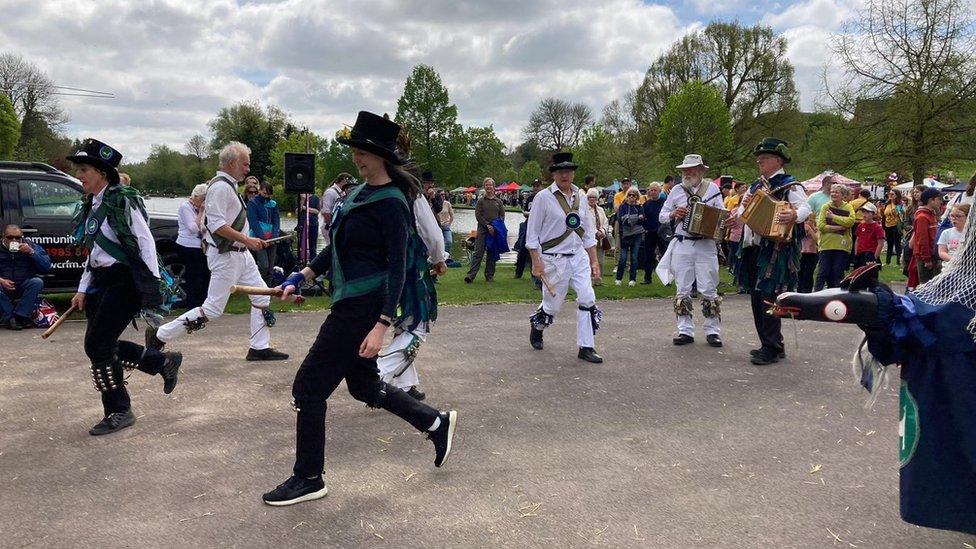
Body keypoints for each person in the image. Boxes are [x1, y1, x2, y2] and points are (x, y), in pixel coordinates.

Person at [262, 111, 457, 506]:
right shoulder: (357, 194)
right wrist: (299, 277)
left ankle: (309, 477)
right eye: (354, 150)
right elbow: (334, 251)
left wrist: (382, 324)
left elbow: (399, 269)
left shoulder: (392, 203)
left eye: (364, 151)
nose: (357, 158)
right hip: (350, 301)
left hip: (363, 308)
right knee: (364, 386)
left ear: (383, 155)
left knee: (308, 388)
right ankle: (435, 422)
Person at [66, 139, 182, 435]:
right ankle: (161, 362)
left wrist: (152, 287)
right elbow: (93, 252)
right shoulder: (92, 203)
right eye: (78, 169)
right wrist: (82, 288)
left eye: (84, 169)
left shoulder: (122, 199)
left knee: (97, 345)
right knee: (99, 346)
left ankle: (120, 410)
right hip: (101, 281)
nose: (79, 175)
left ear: (102, 172)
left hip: (126, 280)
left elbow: (145, 241)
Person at [146, 142, 288, 362]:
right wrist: (248, 240)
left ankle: (259, 347)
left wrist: (247, 242)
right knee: (212, 309)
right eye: (245, 164)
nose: (248, 169)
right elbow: (216, 225)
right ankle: (160, 335)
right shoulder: (220, 187)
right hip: (227, 256)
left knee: (262, 294)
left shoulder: (228, 186)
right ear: (232, 163)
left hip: (240, 255)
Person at [735, 138, 811, 365]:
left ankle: (771, 346)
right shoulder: (755, 185)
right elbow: (742, 211)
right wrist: (741, 207)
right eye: (759, 159)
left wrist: (794, 215)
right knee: (756, 297)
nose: (760, 162)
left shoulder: (791, 185)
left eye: (764, 159)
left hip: (775, 249)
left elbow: (806, 206)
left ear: (778, 160)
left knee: (767, 296)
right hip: (753, 246)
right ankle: (771, 344)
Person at [525, 152, 603, 364]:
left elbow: (588, 234)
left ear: (573, 173)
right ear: (554, 174)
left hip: (578, 257)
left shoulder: (582, 197)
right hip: (553, 259)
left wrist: (594, 261)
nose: (565, 175)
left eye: (568, 171)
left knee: (587, 298)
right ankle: (538, 325)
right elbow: (532, 236)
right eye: (560, 171)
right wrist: (536, 262)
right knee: (552, 306)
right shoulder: (543, 198)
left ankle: (586, 346)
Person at [658, 154, 724, 347]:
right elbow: (662, 216)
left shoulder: (712, 188)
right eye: (685, 170)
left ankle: (713, 332)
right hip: (683, 243)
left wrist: (719, 223)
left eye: (692, 169)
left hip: (706, 244)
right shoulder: (676, 190)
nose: (687, 172)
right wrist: (673, 213)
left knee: (709, 287)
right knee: (683, 287)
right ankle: (685, 331)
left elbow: (721, 215)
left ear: (701, 170)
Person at [0, 224, 51, 329]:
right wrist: (1, 280)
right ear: (3, 237)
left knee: (37, 282)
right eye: (10, 237)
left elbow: (46, 267)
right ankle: (10, 318)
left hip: (23, 283)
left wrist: (32, 253)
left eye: (18, 238)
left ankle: (20, 316)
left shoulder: (30, 246)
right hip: (3, 285)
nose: (14, 240)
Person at [175, 184, 211, 310]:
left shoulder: (204, 207)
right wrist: (201, 212)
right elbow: (193, 228)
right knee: (194, 277)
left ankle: (203, 305)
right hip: (188, 245)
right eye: (201, 200)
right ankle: (192, 306)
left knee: (205, 276)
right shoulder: (186, 207)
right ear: (195, 197)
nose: (201, 203)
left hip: (201, 247)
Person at [464, 177, 505, 283]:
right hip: (483, 229)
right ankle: (470, 275)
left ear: (493, 186)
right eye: (486, 185)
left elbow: (502, 216)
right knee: (478, 252)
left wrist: (496, 227)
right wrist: (487, 225)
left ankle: (489, 275)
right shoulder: (481, 201)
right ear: (484, 187)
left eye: (490, 185)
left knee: (492, 253)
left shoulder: (498, 201)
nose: (488, 186)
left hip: (494, 231)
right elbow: (478, 215)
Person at [815, 184, 855, 291]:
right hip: (826, 245)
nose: (833, 194)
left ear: (843, 195)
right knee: (823, 272)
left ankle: (837, 294)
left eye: (836, 192)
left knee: (837, 272)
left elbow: (851, 222)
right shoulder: (826, 207)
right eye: (832, 192)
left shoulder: (848, 207)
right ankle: (816, 294)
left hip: (842, 246)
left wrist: (833, 217)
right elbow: (821, 226)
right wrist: (839, 227)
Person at [248, 181, 281, 285]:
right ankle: (259, 284)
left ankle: (268, 288)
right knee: (264, 265)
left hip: (272, 237)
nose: (266, 196)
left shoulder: (273, 204)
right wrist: (262, 237)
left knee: (271, 266)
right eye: (264, 193)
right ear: (260, 191)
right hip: (258, 237)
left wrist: (274, 236)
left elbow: (276, 221)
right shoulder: (253, 203)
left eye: (268, 194)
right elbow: (253, 222)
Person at [910, 187, 944, 287]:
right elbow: (922, 240)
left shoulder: (931, 214)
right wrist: (926, 259)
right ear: (931, 200)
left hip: (932, 254)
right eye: (938, 199)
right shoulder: (922, 217)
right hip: (925, 258)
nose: (940, 202)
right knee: (926, 286)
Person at [615, 187, 644, 286]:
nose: (631, 197)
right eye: (629, 195)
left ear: (637, 197)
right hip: (625, 235)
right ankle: (618, 278)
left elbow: (642, 220)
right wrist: (635, 218)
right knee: (622, 258)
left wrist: (630, 218)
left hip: (636, 235)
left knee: (634, 257)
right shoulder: (623, 206)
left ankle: (632, 279)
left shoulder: (640, 207)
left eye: (634, 195)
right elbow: (623, 220)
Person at [515, 179, 543, 280]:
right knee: (522, 248)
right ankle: (518, 273)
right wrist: (527, 214)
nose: (536, 188)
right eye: (534, 186)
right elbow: (525, 211)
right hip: (529, 224)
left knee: (536, 249)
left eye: (538, 186)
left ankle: (535, 275)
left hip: (540, 226)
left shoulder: (544, 198)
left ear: (541, 186)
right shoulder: (530, 198)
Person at [641, 182, 666, 284]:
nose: (652, 192)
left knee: (665, 255)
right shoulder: (646, 204)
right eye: (650, 190)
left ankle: (666, 279)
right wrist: (645, 228)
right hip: (650, 233)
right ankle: (647, 278)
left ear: (659, 191)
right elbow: (643, 218)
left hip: (662, 232)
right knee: (648, 256)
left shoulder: (664, 202)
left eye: (655, 190)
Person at [585, 188, 610, 285]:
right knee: (589, 260)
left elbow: (605, 222)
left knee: (600, 261)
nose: (592, 199)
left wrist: (602, 231)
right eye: (590, 197)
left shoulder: (601, 210)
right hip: (590, 238)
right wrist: (595, 232)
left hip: (601, 239)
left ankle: (598, 280)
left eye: (594, 197)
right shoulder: (585, 210)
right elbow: (586, 224)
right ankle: (589, 280)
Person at [853, 202, 885, 268]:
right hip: (860, 254)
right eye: (864, 212)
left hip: (870, 254)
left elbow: (880, 243)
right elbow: (857, 240)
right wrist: (856, 253)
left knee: (870, 275)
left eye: (867, 213)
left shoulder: (877, 227)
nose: (864, 215)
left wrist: (875, 257)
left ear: (873, 214)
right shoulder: (860, 226)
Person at [433, 189, 456, 266]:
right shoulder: (435, 204)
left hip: (446, 226)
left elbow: (452, 215)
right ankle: (437, 260)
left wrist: (449, 224)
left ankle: (446, 259)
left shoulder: (447, 204)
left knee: (449, 241)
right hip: (437, 227)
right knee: (438, 243)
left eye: (444, 194)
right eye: (441, 194)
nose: (443, 196)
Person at [797, 212, 819, 293]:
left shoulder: (816, 229)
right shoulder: (800, 229)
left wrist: (810, 230)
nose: (806, 222)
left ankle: (807, 290)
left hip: (812, 253)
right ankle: (799, 290)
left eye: (808, 220)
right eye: (804, 220)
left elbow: (818, 240)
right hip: (801, 253)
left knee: (808, 273)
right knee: (800, 272)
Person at [296, 192, 320, 263]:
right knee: (301, 245)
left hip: (313, 224)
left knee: (312, 245)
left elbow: (317, 211)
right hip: (302, 224)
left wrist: (305, 207)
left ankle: (313, 263)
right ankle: (301, 262)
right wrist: (303, 200)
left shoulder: (315, 198)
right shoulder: (299, 197)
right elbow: (298, 211)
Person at [882, 189, 905, 265]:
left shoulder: (899, 205)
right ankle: (887, 262)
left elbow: (901, 215)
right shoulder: (887, 204)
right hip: (887, 225)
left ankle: (899, 262)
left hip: (896, 225)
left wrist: (899, 209)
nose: (890, 196)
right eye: (889, 194)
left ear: (896, 196)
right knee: (889, 244)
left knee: (897, 244)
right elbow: (884, 215)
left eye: (892, 194)